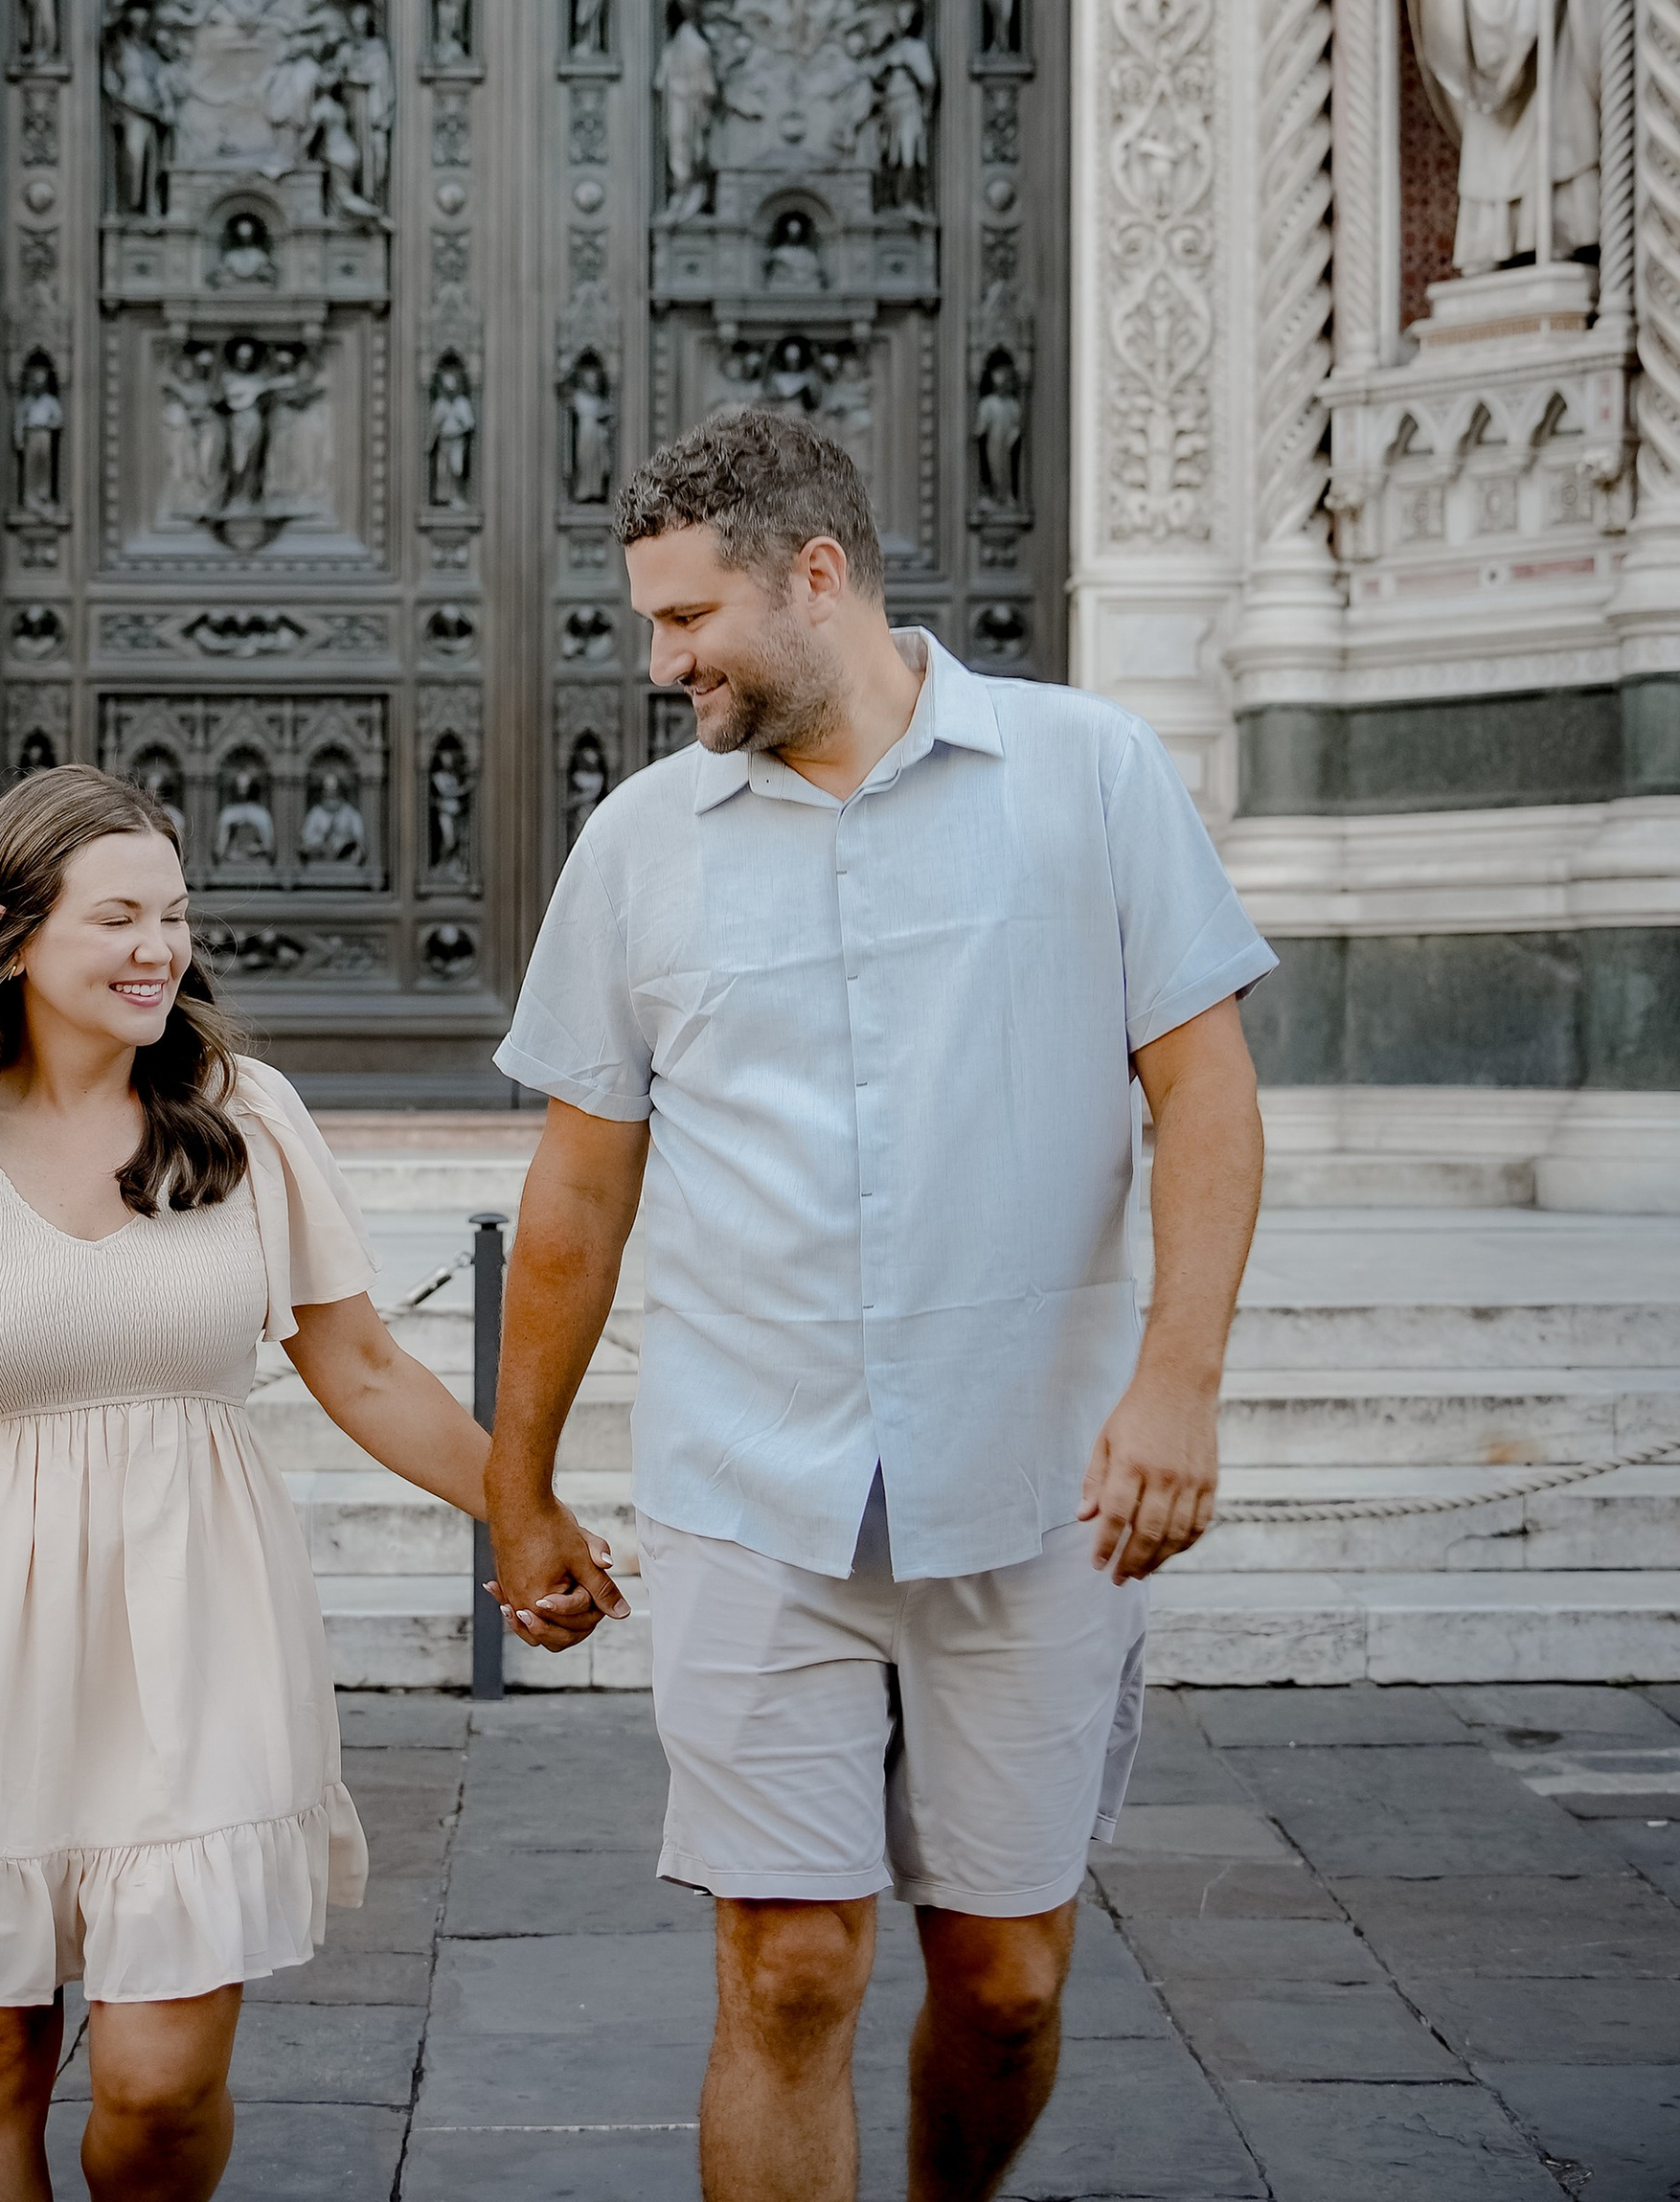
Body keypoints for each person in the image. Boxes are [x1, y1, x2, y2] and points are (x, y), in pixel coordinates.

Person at [484, 403, 1273, 2202]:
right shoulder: (639, 845)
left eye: (687, 622)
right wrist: (515, 1486)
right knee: (791, 1962)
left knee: (1003, 1983)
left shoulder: (1091, 772)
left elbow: (1205, 1098)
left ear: (816, 577)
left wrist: (1180, 1383)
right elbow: (578, 1193)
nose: (661, 661)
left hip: (1036, 1483)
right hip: (751, 1493)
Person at [0, 765, 493, 2202]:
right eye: (118, 916)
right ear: (11, 932)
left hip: (206, 1641)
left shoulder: (243, 1118)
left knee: (159, 2090)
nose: (160, 949)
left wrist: (529, 1510)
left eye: (175, 916)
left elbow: (364, 1368)